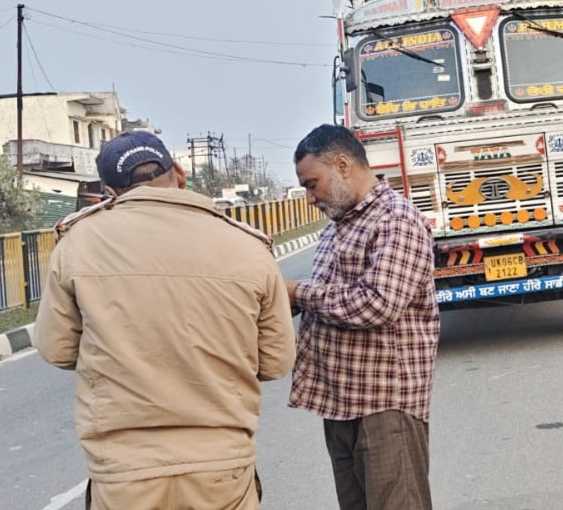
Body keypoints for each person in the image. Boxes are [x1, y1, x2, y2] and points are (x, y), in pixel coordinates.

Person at [34, 130, 295, 510]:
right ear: (179, 172)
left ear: (111, 191)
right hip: (221, 465)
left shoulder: (78, 244)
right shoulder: (248, 247)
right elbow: (276, 362)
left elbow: (57, 349)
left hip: (124, 471)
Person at [287, 124, 440, 510]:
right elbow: (330, 298)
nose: (309, 198)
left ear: (341, 165)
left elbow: (377, 304)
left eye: (312, 184)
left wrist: (298, 292)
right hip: (342, 404)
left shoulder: (395, 220)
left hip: (384, 407)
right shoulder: (340, 227)